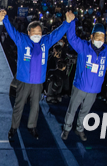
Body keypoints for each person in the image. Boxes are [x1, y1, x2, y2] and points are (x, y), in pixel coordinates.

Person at [5, 11, 75, 140]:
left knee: (35, 106)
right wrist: (4, 19)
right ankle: (14, 128)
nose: (38, 34)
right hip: (24, 80)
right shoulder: (22, 40)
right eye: (35, 32)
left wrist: (67, 23)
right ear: (29, 32)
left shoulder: (45, 42)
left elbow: (56, 34)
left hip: (38, 82)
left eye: (39, 32)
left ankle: (32, 126)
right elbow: (11, 30)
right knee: (19, 105)